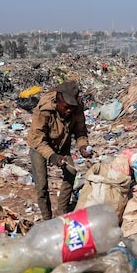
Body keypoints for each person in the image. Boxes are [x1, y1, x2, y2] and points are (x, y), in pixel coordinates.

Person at [27, 80, 93, 220]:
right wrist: (53, 157)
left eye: (72, 107)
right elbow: (38, 140)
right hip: (40, 146)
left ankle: (61, 212)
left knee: (71, 172)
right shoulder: (44, 110)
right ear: (58, 101)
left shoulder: (76, 108)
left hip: (62, 143)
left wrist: (82, 146)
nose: (69, 110)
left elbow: (80, 132)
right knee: (42, 185)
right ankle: (47, 219)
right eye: (66, 107)